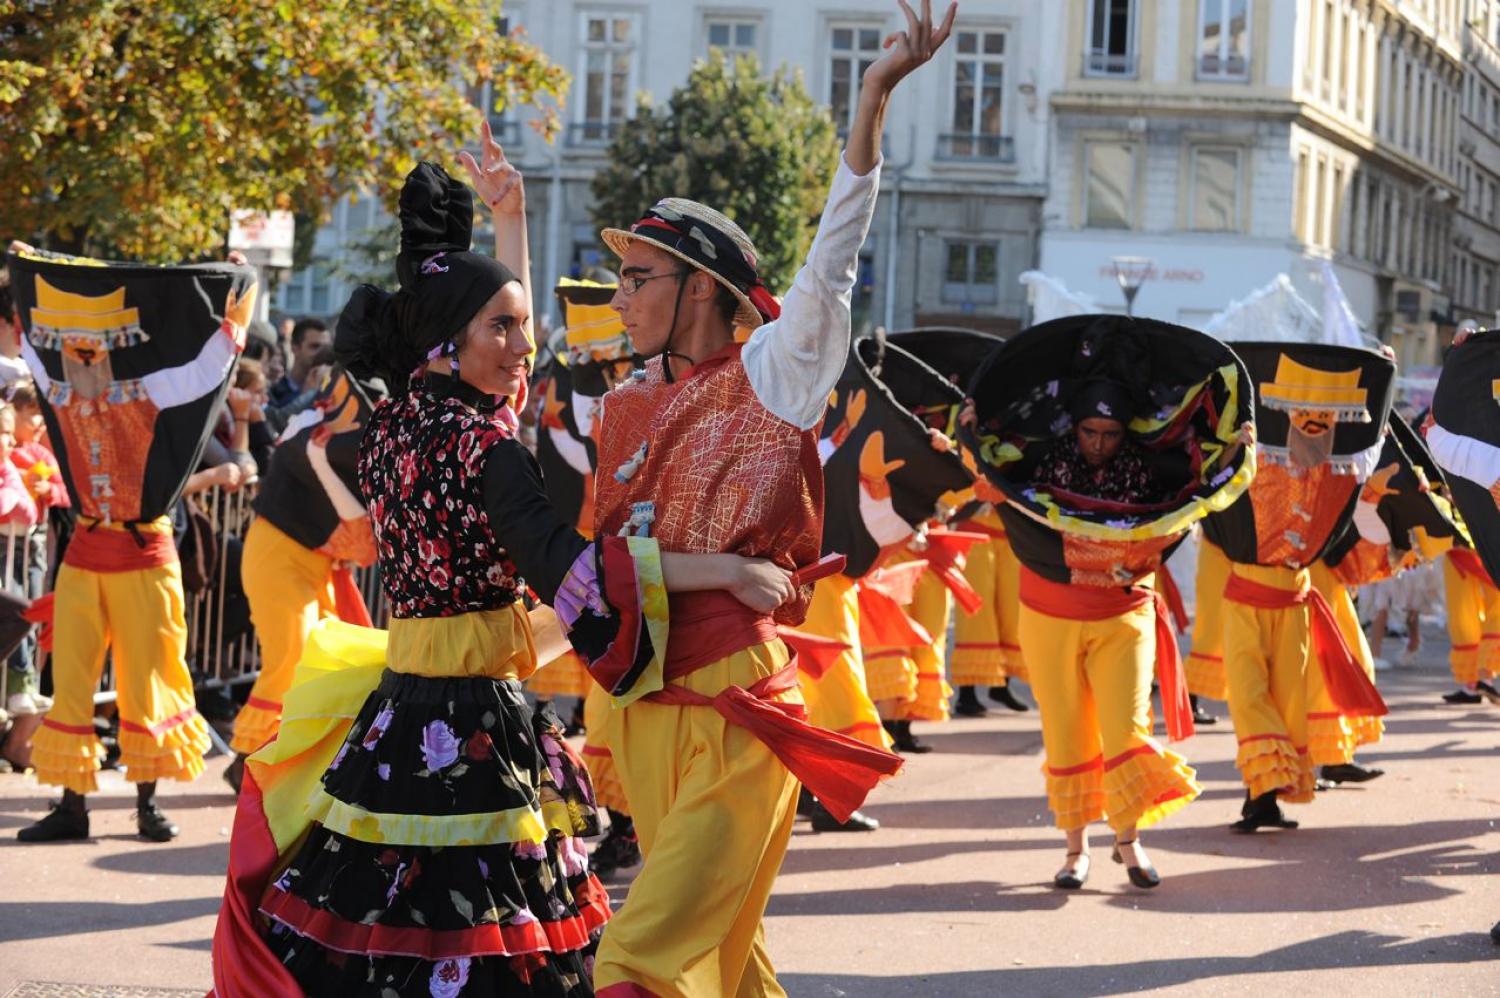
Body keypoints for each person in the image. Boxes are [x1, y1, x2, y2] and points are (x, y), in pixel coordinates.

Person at [210, 143, 799, 996]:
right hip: (475, 725)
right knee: (498, 950)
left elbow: (472, 331)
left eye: (523, 325)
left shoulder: (399, 422)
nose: (528, 346)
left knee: (375, 941)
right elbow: (586, 574)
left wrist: (510, 218)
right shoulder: (487, 452)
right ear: (450, 343)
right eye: (507, 329)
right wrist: (728, 573)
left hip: (395, 717)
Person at [575, 6, 952, 993]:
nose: (617, 292)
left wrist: (870, 102)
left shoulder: (777, 370)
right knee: (727, 962)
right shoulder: (626, 411)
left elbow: (833, 256)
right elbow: (598, 568)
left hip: (742, 710)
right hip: (649, 704)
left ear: (697, 287)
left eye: (635, 274)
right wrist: (713, 569)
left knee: (638, 955)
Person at [11, 243, 255, 843]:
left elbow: (215, 359)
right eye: (72, 345)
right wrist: (26, 274)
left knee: (150, 680)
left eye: (92, 346)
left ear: (115, 346)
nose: (80, 353)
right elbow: (30, 347)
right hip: (85, 555)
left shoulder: (150, 391)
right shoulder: (60, 393)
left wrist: (241, 291)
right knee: (70, 680)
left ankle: (146, 804)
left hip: (145, 554)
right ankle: (72, 805)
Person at [1008, 381, 1222, 890]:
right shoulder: (1039, 464)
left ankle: (1129, 841)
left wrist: (1233, 451)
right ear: (1073, 427)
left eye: (1110, 432)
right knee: (1065, 733)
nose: (1099, 442)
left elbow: (1190, 504)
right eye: (1089, 431)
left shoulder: (1148, 473)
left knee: (1126, 729)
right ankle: (1075, 850)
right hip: (1048, 613)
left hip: (1123, 613)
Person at [265, 317, 331, 425]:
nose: (322, 353)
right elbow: (278, 424)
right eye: (314, 346)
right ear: (294, 348)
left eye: (325, 348)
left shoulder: (332, 392)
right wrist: (307, 396)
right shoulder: (273, 391)